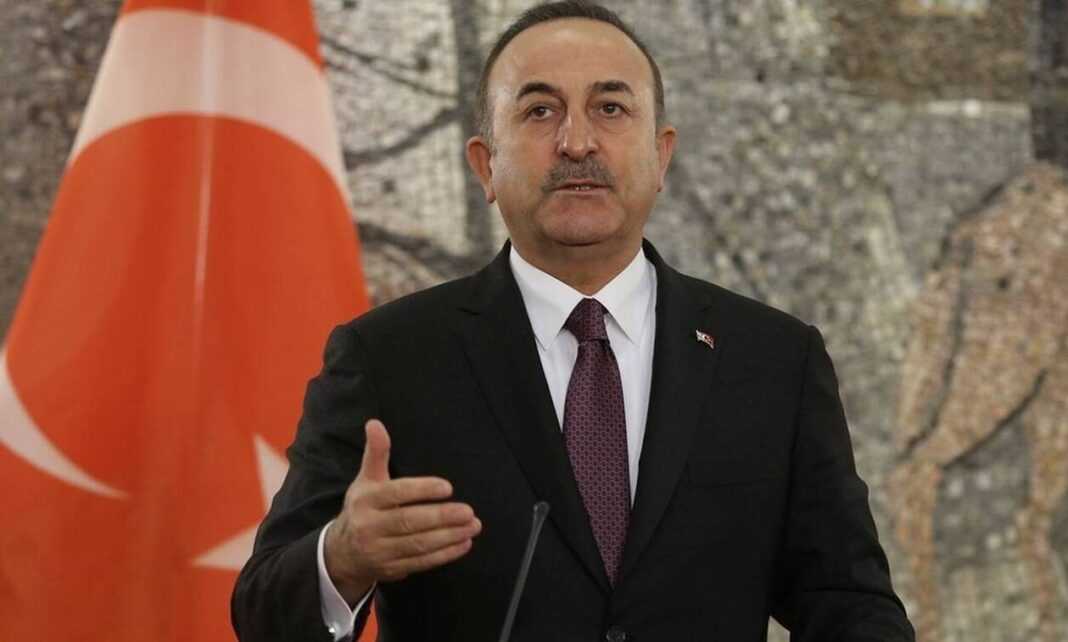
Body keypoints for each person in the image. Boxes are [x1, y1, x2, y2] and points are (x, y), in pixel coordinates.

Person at [232, 2, 915, 641]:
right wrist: (343, 558)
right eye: (539, 111)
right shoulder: (389, 357)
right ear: (485, 166)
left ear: (661, 156)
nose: (577, 142)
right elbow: (262, 609)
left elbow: (850, 603)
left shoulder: (773, 360)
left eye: (610, 108)